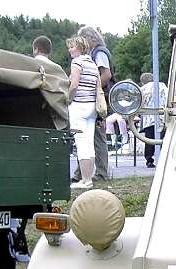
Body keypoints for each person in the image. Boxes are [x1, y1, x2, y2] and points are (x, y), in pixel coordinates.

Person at [70, 26, 115, 182]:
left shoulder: (98, 53)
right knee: (89, 137)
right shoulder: (96, 53)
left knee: (94, 137)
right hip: (96, 100)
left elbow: (106, 74)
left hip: (95, 100)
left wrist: (93, 89)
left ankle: (99, 173)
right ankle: (82, 174)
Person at [66, 36, 99, 189]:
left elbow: (74, 85)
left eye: (72, 47)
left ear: (79, 47)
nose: (69, 50)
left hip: (78, 105)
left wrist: (68, 100)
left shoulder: (77, 62)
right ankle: (89, 178)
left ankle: (85, 180)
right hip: (92, 106)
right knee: (89, 143)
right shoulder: (92, 63)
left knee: (81, 143)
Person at [140, 72, 168, 168]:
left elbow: (140, 102)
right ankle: (163, 159)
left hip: (149, 117)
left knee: (149, 140)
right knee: (162, 139)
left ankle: (149, 160)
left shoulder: (143, 89)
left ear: (143, 82)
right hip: (162, 116)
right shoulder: (162, 85)